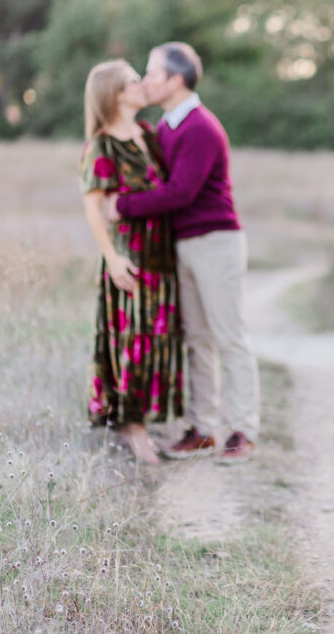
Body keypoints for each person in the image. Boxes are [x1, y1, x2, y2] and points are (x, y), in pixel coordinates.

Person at [103, 42, 259, 461]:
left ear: (175, 80)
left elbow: (180, 193)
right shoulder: (167, 127)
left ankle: (243, 430)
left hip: (216, 240)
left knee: (229, 336)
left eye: (152, 73)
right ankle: (203, 429)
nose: (145, 80)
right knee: (196, 339)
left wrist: (122, 206)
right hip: (184, 245)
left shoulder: (200, 127)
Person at [79, 59, 184, 465]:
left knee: (157, 340)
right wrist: (112, 259)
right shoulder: (101, 145)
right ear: (115, 94)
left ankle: (147, 424)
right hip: (129, 259)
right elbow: (93, 209)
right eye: (134, 81)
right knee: (131, 346)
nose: (144, 85)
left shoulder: (147, 134)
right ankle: (134, 431)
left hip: (161, 258)